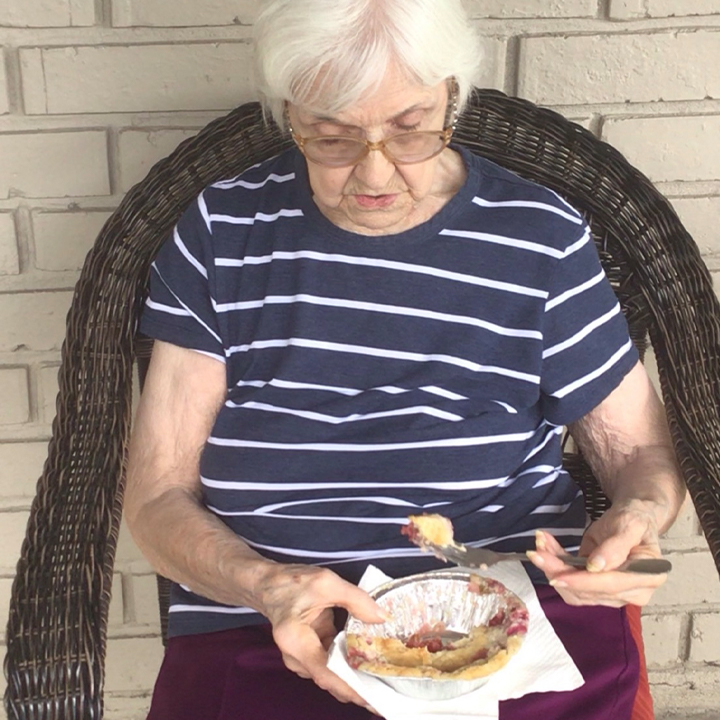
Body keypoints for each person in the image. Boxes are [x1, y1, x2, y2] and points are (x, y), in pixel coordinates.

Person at [125, 1, 686, 718]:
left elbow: (637, 450)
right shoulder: (223, 228)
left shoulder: (539, 237)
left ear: (452, 98)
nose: (374, 173)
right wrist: (262, 584)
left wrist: (640, 515)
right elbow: (156, 496)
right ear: (288, 113)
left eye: (410, 128)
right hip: (271, 619)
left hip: (508, 611)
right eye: (331, 137)